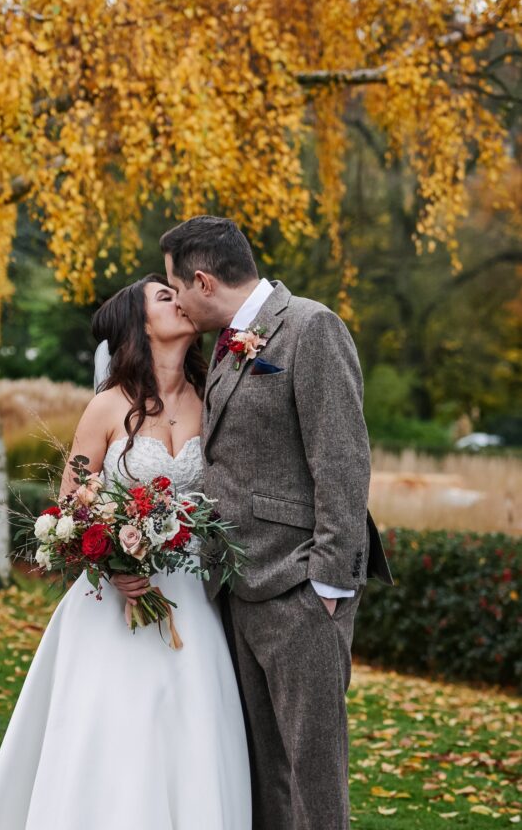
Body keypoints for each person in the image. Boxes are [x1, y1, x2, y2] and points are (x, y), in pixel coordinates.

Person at [0, 273, 251, 830]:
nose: (182, 301)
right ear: (138, 324)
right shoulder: (105, 408)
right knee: (115, 742)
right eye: (166, 297)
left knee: (191, 734)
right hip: (112, 608)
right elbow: (69, 512)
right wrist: (116, 562)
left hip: (191, 600)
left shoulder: (214, 400)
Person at [160, 215, 394, 830]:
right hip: (237, 586)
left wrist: (330, 585)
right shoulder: (224, 343)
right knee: (263, 774)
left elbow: (342, 457)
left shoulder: (313, 329)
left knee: (314, 775)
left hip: (298, 591)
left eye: (176, 287)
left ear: (203, 281)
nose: (176, 301)